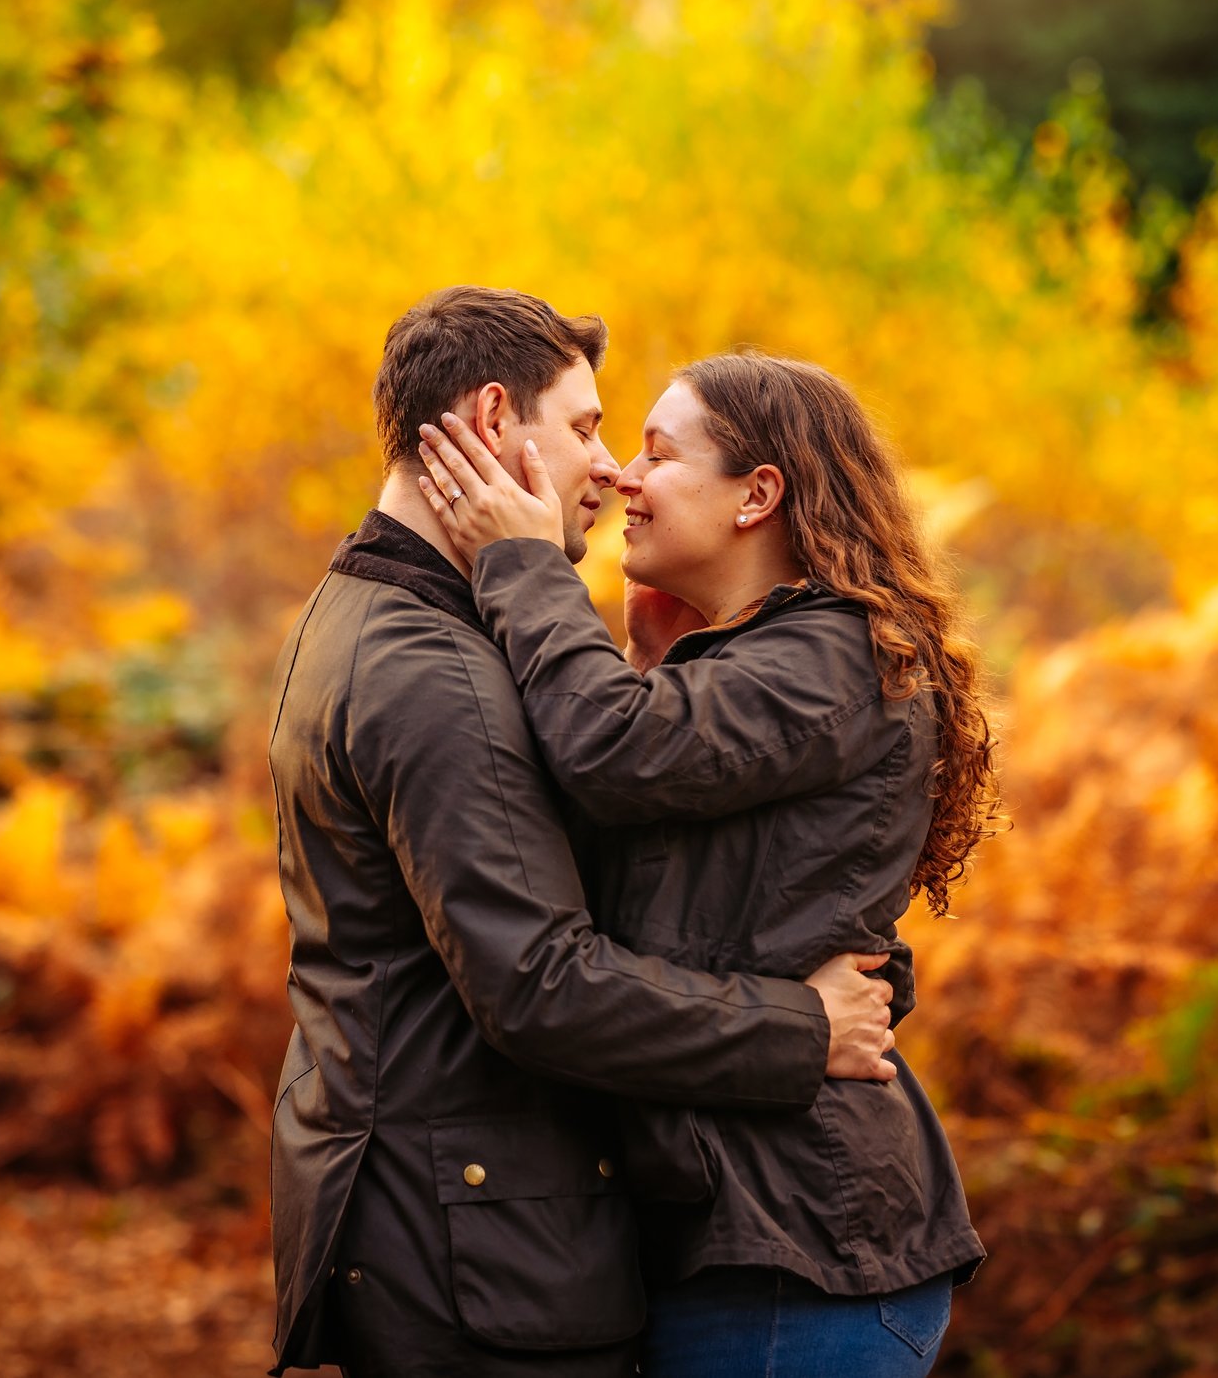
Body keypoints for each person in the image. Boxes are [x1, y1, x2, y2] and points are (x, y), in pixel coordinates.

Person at [266, 290, 904, 1378]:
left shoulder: (379, 614)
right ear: (490, 418)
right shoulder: (436, 672)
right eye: (586, 428)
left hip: (478, 1222)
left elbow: (718, 880)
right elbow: (539, 981)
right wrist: (800, 1025)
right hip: (477, 1247)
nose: (607, 469)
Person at [415, 349, 995, 1378]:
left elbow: (613, 753)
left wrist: (521, 564)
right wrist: (652, 666)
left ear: (756, 495)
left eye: (657, 452)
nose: (623, 478)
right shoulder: (764, 660)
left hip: (801, 1247)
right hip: (733, 1234)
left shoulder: (838, 655)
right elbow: (686, 888)